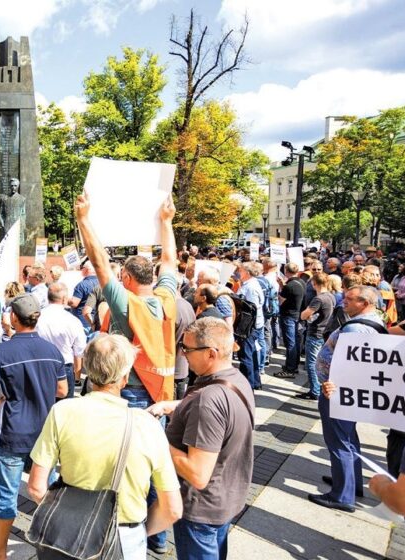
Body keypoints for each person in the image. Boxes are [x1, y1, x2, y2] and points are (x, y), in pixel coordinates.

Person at [75, 191, 177, 554]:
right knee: (153, 460)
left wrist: (85, 219)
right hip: (161, 391)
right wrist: (166, 223)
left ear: (127, 279)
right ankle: (159, 536)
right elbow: (171, 261)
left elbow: (100, 264)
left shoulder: (127, 305)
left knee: (123, 463)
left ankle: (121, 529)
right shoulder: (167, 299)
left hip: (131, 391)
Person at [28, 335, 182, 559]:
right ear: (124, 377)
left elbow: (35, 487)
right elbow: (173, 509)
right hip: (125, 534)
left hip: (71, 530)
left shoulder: (63, 411)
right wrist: (138, 533)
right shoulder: (147, 425)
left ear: (89, 371)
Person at [0, 293, 68, 560]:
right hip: (45, 434)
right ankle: (60, 539)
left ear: (13, 318)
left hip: (13, 433)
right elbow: (62, 389)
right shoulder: (51, 350)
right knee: (49, 490)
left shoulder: (1, 351)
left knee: (7, 494)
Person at [148, 317, 255, 560]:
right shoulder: (236, 380)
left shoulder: (208, 400)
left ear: (211, 353)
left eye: (187, 348)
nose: (182, 353)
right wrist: (175, 406)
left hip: (201, 509)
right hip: (225, 497)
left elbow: (197, 473)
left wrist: (155, 440)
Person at [312, 286, 384, 512]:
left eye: (350, 300)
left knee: (339, 440)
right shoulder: (372, 321)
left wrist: (334, 384)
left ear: (365, 303)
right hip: (346, 392)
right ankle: (350, 482)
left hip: (336, 392)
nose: (344, 302)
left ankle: (342, 495)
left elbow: (350, 365)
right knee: (348, 437)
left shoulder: (354, 329)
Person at [37, 283, 86, 397]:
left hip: (40, 366)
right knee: (64, 409)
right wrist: (77, 375)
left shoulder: (37, 318)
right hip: (64, 367)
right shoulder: (73, 321)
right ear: (64, 299)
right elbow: (79, 352)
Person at [298, 273, 335, 400]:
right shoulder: (331, 296)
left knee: (312, 363)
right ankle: (316, 389)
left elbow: (303, 315)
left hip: (315, 333)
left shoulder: (319, 299)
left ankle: (315, 390)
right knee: (319, 363)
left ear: (314, 284)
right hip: (324, 332)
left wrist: (306, 314)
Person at [236, 262, 265, 390]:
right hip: (252, 325)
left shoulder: (251, 287)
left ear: (247, 272)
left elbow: (251, 310)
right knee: (251, 353)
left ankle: (248, 385)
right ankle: (255, 381)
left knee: (246, 355)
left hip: (250, 326)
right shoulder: (250, 284)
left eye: (240, 270)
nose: (238, 272)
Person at [275, 262, 305, 378]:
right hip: (297, 315)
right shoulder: (301, 282)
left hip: (288, 316)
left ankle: (290, 368)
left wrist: (279, 290)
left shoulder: (290, 286)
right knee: (295, 342)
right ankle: (293, 365)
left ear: (286, 271)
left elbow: (281, 301)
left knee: (290, 343)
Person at [69, 261, 99, 331]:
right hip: (97, 321)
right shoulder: (102, 283)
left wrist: (64, 299)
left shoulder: (82, 285)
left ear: (87, 270)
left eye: (82, 268)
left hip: (83, 322)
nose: (81, 269)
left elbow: (74, 303)